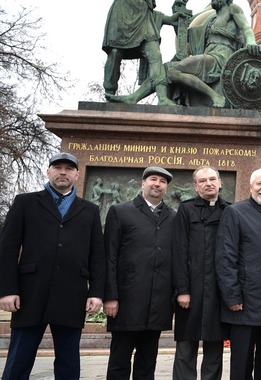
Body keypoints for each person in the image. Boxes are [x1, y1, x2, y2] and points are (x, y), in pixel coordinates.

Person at [0, 153, 105, 379]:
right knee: (19, 360)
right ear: (48, 172)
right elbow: (7, 250)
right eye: (57, 167)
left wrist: (96, 293)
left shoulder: (89, 210)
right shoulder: (25, 202)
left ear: (77, 174)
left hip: (71, 294)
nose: (63, 172)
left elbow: (97, 255)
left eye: (69, 168)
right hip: (30, 294)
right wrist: (8, 289)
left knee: (68, 363)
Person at [104, 166, 176, 379]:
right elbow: (109, 256)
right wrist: (110, 296)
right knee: (119, 361)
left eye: (162, 182)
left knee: (147, 362)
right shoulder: (121, 211)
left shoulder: (173, 217)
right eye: (153, 179)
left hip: (157, 302)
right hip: (127, 301)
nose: (157, 184)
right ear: (143, 183)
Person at [216, 168, 261, 380]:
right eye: (259, 184)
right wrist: (232, 296)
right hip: (245, 302)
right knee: (241, 363)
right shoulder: (235, 212)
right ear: (251, 186)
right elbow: (225, 257)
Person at [172, 166, 231, 380]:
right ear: (195, 186)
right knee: (186, 346)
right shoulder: (186, 210)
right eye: (203, 180)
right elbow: (179, 251)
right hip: (192, 289)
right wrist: (183, 290)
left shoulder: (230, 210)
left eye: (212, 179)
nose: (209, 183)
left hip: (218, 291)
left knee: (215, 347)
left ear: (220, 182)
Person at [102, 0, 184, 104]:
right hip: (122, 12)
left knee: (155, 54)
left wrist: (168, 19)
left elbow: (148, 10)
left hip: (145, 19)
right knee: (115, 53)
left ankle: (162, 97)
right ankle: (109, 95)